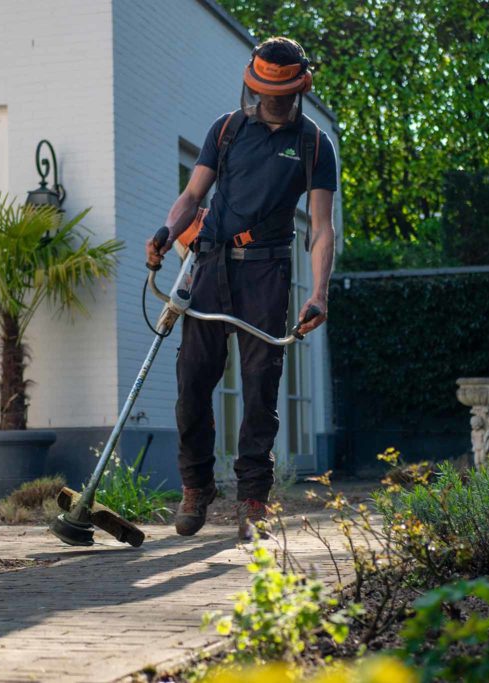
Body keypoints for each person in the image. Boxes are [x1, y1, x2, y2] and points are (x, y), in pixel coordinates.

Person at [145, 36, 339, 541]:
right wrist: (167, 233)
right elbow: (192, 195)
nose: (267, 101)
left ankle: (253, 500)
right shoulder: (227, 130)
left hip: (266, 274)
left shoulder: (315, 144)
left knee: (260, 390)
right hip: (209, 268)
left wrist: (319, 291)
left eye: (277, 93)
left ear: (299, 88)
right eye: (259, 91)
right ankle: (196, 487)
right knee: (191, 385)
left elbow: (321, 228)